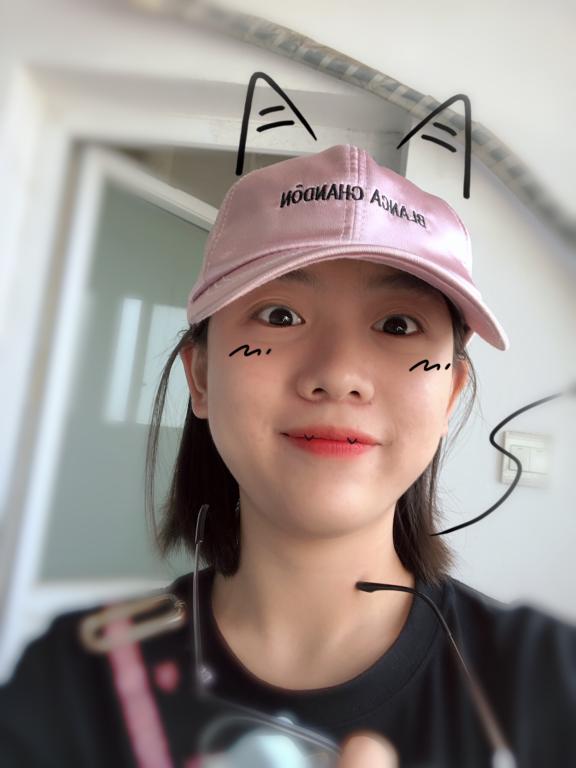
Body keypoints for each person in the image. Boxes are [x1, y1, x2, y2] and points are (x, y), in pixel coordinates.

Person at [0, 144, 574, 768]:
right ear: (200, 377)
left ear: (450, 395)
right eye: (279, 315)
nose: (339, 375)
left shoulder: (548, 678)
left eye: (399, 326)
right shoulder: (74, 682)